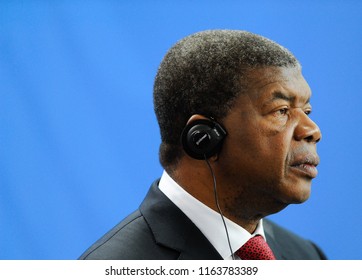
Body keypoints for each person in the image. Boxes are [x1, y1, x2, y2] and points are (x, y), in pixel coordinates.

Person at [79, 30, 327, 260]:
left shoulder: (307, 255)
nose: (312, 131)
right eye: (281, 111)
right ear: (205, 138)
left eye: (307, 110)